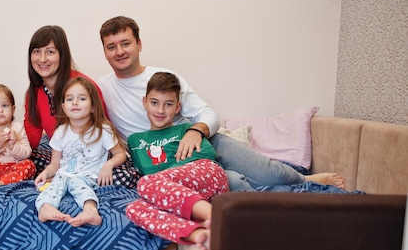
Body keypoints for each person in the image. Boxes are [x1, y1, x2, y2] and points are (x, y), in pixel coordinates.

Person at [97, 16, 345, 191]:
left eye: (125, 43)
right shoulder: (102, 87)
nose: (119, 51)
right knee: (235, 182)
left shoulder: (163, 76)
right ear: (105, 52)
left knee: (271, 173)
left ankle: (306, 181)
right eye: (111, 47)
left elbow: (207, 113)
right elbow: (74, 99)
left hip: (201, 140)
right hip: (168, 160)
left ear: (139, 44)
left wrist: (196, 131)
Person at [126, 72, 229, 250]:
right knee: (134, 208)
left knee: (148, 182)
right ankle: (198, 234)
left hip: (206, 174)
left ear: (177, 107)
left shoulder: (185, 129)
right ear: (144, 102)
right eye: (154, 102)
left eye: (168, 104)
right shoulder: (135, 140)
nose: (160, 111)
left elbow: (208, 152)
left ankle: (217, 218)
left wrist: (169, 173)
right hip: (177, 194)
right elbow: (141, 172)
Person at [24, 25, 139, 188]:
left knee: (125, 176)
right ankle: (63, 179)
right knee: (27, 160)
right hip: (64, 157)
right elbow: (31, 135)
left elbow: (103, 126)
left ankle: (71, 182)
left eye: (50, 52)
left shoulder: (84, 87)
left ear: (62, 55)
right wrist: (15, 150)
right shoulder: (33, 93)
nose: (42, 59)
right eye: (36, 52)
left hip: (95, 158)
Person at [34, 77, 127, 227]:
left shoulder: (103, 130)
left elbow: (120, 154)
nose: (75, 102)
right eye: (70, 99)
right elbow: (55, 164)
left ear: (93, 107)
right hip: (64, 175)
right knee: (55, 183)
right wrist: (45, 173)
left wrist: (108, 165)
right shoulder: (60, 132)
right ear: (64, 107)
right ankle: (45, 207)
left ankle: (90, 210)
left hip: (88, 177)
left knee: (75, 181)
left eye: (82, 98)